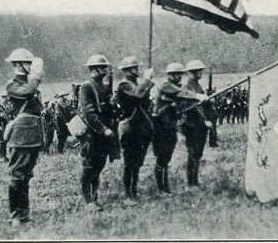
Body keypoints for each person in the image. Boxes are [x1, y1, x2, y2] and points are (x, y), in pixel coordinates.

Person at [4, 48, 45, 226]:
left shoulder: (29, 84)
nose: (31, 66)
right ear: (18, 65)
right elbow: (27, 92)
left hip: (32, 135)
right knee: (17, 175)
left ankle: (24, 213)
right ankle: (15, 215)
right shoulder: (12, 85)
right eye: (28, 63)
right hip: (21, 136)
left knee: (26, 176)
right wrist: (36, 76)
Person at [152, 62, 207, 196]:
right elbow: (181, 93)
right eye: (176, 74)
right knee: (162, 158)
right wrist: (197, 96)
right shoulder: (166, 86)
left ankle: (165, 189)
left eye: (180, 75)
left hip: (170, 126)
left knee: (166, 158)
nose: (179, 77)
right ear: (170, 75)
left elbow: (181, 104)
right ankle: (161, 189)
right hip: (160, 127)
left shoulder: (174, 87)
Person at [78, 54, 118, 211]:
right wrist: (103, 129)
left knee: (98, 168)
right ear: (94, 69)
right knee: (89, 168)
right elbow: (88, 113)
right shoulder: (86, 87)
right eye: (103, 67)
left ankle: (94, 199)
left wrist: (112, 103)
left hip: (104, 135)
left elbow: (108, 110)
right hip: (92, 135)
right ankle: (89, 201)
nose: (106, 70)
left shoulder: (103, 86)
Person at [115, 56, 155, 205]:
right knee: (130, 163)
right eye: (134, 68)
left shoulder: (136, 84)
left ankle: (134, 191)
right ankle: (128, 195)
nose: (137, 70)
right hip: (130, 129)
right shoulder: (123, 86)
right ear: (126, 71)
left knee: (138, 163)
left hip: (141, 129)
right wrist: (147, 79)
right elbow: (137, 95)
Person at [181, 60, 213, 189]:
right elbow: (190, 107)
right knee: (193, 152)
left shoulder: (197, 86)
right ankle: (191, 182)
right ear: (193, 72)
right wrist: (204, 119)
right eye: (199, 71)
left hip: (199, 125)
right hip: (191, 124)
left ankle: (195, 180)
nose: (201, 73)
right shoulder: (187, 87)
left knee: (198, 153)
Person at [0, 93, 11, 162]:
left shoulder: (8, 105)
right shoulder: (0, 106)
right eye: (5, 97)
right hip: (3, 125)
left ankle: (7, 156)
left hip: (8, 124)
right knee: (2, 141)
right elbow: (2, 116)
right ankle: (2, 156)